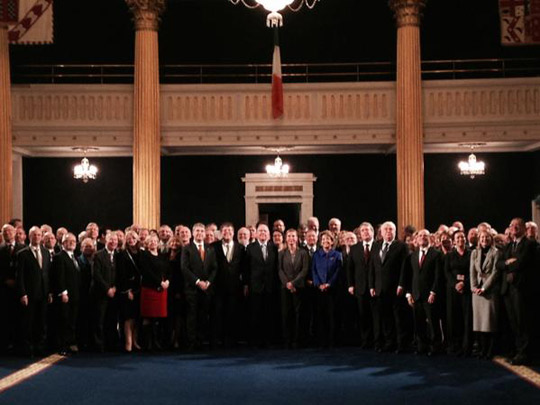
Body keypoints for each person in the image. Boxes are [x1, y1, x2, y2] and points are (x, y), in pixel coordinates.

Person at [496, 217, 536, 365]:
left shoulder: (529, 245)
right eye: (511, 225)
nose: (513, 228)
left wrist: (509, 264)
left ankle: (525, 353)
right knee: (513, 322)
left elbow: (521, 262)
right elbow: (498, 264)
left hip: (521, 289)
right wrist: (508, 262)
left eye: (517, 225)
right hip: (508, 290)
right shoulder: (508, 246)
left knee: (522, 322)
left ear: (523, 229)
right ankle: (518, 350)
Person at [369, 221, 409, 353]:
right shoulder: (376, 246)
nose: (388, 232)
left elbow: (405, 267)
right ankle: (389, 343)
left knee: (398, 318)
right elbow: (372, 268)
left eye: (391, 229)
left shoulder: (401, 246)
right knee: (385, 318)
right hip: (380, 288)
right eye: (385, 229)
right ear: (381, 232)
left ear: (395, 231)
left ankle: (401, 344)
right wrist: (371, 286)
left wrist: (402, 284)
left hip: (396, 288)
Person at [404, 229, 442, 356]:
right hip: (416, 294)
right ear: (416, 239)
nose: (422, 237)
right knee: (419, 322)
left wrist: (433, 292)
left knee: (433, 322)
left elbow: (438, 276)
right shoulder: (413, 255)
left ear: (430, 238)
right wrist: (408, 293)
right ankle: (422, 346)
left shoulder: (436, 254)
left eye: (425, 235)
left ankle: (435, 347)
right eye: (420, 236)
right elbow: (409, 276)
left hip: (430, 294)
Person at [181, 223, 217, 351]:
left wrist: (208, 282)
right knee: (192, 316)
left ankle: (201, 341)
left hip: (207, 289)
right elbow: (184, 268)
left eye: (202, 231)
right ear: (193, 233)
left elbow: (214, 268)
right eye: (197, 231)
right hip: (192, 289)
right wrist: (197, 282)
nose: (200, 233)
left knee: (203, 316)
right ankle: (192, 343)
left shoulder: (210, 249)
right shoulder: (187, 248)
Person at [16, 226, 52, 357]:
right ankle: (28, 348)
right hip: (29, 295)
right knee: (28, 323)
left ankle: (39, 348)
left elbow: (47, 275)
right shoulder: (22, 254)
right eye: (34, 235)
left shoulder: (46, 252)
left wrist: (49, 292)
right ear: (29, 237)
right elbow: (19, 277)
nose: (36, 237)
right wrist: (23, 293)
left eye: (38, 235)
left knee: (41, 322)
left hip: (43, 293)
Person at [243, 222, 278, 347]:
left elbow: (276, 268)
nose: (263, 233)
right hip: (255, 286)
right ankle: (255, 341)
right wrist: (246, 285)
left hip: (270, 286)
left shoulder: (274, 247)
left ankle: (268, 340)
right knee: (255, 314)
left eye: (265, 231)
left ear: (269, 234)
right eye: (261, 231)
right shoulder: (250, 248)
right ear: (256, 234)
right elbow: (246, 268)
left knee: (269, 314)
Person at [213, 222, 245, 348]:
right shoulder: (213, 247)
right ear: (221, 233)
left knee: (232, 313)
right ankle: (217, 340)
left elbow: (243, 267)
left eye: (230, 230)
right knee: (218, 314)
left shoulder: (240, 248)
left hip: (235, 287)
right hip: (218, 287)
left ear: (233, 232)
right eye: (224, 231)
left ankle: (231, 340)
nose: (227, 233)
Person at [470, 230, 500, 360]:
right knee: (479, 322)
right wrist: (474, 287)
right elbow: (472, 271)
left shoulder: (496, 252)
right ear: (479, 239)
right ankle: (482, 349)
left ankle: (490, 350)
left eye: (487, 237)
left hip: (489, 290)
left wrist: (484, 287)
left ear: (491, 239)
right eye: (482, 237)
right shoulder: (475, 253)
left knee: (490, 322)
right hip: (477, 293)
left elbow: (495, 272)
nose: (484, 239)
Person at [50, 233, 81, 355]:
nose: (72, 243)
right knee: (63, 320)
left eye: (74, 241)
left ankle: (69, 343)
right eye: (69, 241)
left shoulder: (75, 257)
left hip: (75, 295)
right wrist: (63, 292)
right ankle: (62, 346)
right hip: (65, 296)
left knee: (72, 321)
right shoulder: (59, 257)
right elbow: (59, 277)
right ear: (63, 243)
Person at [278, 229, 309, 348]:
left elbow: (304, 270)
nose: (291, 238)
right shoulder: (281, 253)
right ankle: (287, 340)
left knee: (298, 314)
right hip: (285, 288)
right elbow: (279, 270)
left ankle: (297, 340)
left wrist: (294, 283)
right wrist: (287, 283)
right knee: (286, 314)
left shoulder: (303, 253)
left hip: (299, 288)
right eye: (289, 236)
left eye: (293, 236)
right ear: (286, 238)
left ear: (297, 238)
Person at [311, 230, 342, 348]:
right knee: (320, 316)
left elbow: (338, 272)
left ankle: (332, 341)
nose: (325, 241)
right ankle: (321, 341)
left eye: (328, 239)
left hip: (332, 290)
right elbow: (313, 271)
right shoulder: (316, 255)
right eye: (323, 239)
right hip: (319, 290)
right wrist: (319, 284)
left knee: (332, 316)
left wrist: (329, 284)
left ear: (332, 241)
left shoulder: (337, 255)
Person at [139, 234, 170, 351]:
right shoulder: (144, 255)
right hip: (149, 289)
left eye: (155, 241)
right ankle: (147, 343)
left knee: (158, 318)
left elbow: (168, 270)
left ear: (158, 242)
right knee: (148, 317)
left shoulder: (162, 256)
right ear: (146, 244)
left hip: (161, 290)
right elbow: (146, 271)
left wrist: (167, 281)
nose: (153, 243)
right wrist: (159, 282)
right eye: (150, 241)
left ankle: (156, 342)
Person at [444, 230, 472, 356]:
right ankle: (454, 346)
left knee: (466, 318)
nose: (460, 239)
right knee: (453, 317)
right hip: (453, 290)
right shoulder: (449, 255)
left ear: (465, 239)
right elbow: (447, 272)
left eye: (462, 237)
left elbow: (473, 272)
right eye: (457, 237)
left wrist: (464, 283)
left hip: (467, 289)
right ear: (454, 241)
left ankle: (466, 347)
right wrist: (455, 284)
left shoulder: (471, 254)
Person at [347, 222, 375, 349]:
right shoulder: (355, 248)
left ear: (372, 232)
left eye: (367, 230)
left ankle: (377, 340)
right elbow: (350, 269)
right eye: (362, 230)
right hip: (360, 287)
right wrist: (350, 285)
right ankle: (365, 340)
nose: (365, 232)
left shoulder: (378, 246)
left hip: (376, 287)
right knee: (363, 316)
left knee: (376, 315)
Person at [91, 232, 119, 352]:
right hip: (100, 293)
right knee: (99, 320)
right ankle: (98, 345)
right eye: (110, 239)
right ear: (105, 241)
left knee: (112, 320)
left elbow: (121, 274)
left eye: (115, 240)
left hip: (115, 293)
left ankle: (111, 344)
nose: (113, 242)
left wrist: (115, 288)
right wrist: (107, 289)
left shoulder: (119, 255)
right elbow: (96, 275)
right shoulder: (98, 255)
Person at [116, 230, 142, 352]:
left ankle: (135, 341)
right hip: (128, 289)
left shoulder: (141, 253)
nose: (131, 239)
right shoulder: (122, 254)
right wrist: (127, 290)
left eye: (134, 237)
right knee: (128, 317)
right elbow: (120, 274)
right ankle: (128, 342)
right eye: (129, 238)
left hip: (140, 289)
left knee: (137, 317)